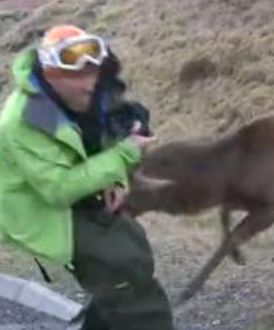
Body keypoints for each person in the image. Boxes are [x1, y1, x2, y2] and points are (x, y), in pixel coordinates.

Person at [0, 24, 174, 330]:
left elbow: (95, 143)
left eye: (94, 73)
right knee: (124, 272)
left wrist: (116, 180)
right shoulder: (22, 119)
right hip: (43, 209)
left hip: (80, 192)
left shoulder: (81, 97)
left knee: (131, 246)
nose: (90, 84)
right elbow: (58, 189)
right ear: (51, 75)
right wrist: (124, 155)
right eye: (77, 75)